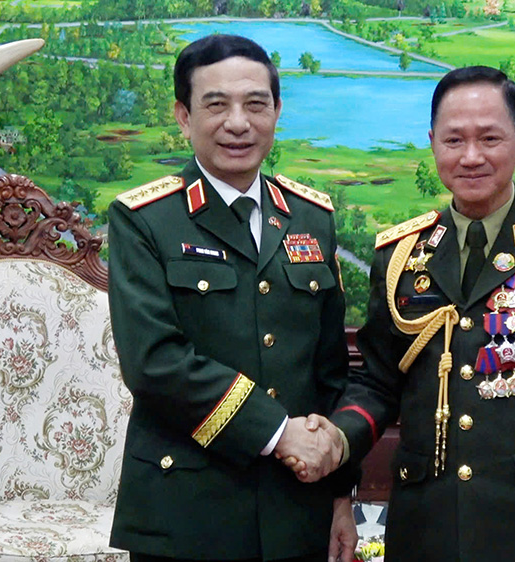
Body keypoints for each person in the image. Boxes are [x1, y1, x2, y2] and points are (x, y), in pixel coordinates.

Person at [292, 66, 515, 561]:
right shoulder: (401, 255)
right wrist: (339, 439)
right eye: (454, 140)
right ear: (433, 144)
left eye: (490, 138)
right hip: (425, 522)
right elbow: (378, 383)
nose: (471, 157)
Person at [107, 34, 357, 562]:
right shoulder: (145, 219)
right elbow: (154, 362)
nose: (238, 123)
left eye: (256, 104)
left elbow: (330, 369)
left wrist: (340, 496)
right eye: (216, 105)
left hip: (298, 509)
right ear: (184, 116)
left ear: (277, 111)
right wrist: (277, 432)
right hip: (186, 514)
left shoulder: (312, 217)